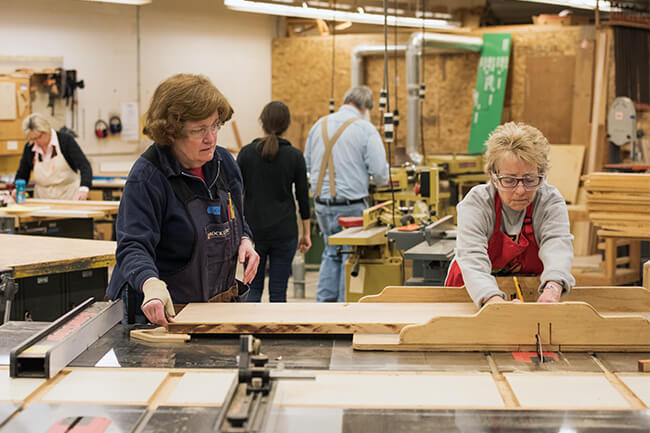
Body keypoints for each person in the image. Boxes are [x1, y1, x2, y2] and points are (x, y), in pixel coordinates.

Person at [106, 73, 260, 327]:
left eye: (214, 126)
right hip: (163, 315)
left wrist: (246, 240)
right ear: (171, 133)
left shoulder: (225, 164)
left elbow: (239, 219)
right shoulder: (147, 178)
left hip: (214, 309)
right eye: (199, 130)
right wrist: (150, 283)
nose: (211, 138)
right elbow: (133, 245)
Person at [445, 122, 575, 307]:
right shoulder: (477, 203)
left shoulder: (549, 201)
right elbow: (472, 258)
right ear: (493, 176)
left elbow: (557, 245)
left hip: (530, 295)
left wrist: (552, 289)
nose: (521, 190)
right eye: (509, 180)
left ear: (542, 174)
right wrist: (494, 302)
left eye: (530, 180)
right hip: (471, 294)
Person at [304, 86, 389, 302]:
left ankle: (323, 310)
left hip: (322, 205)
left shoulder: (318, 126)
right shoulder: (365, 128)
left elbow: (308, 163)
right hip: (352, 207)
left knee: (330, 253)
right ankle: (345, 311)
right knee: (350, 257)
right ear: (365, 107)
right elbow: (380, 174)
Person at [237, 101, 311, 302]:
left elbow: (233, 194)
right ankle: (276, 334)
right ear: (286, 125)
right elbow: (303, 198)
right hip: (284, 231)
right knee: (279, 292)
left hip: (253, 233)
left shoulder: (246, 154)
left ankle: (249, 333)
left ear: (262, 122)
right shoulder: (295, 156)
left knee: (252, 289)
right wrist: (306, 233)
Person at [13, 113, 92, 200]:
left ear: (46, 131)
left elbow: (85, 166)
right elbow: (23, 173)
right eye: (32, 139)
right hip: (42, 199)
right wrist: (16, 188)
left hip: (68, 197)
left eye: (38, 137)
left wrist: (83, 189)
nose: (36, 142)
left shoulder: (66, 141)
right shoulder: (30, 147)